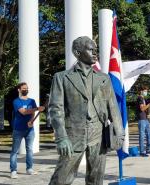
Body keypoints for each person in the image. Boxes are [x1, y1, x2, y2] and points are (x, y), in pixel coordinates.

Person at [48, 36, 124, 185]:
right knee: (61, 178)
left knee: (96, 179)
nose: (95, 53)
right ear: (77, 53)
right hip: (73, 135)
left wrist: (119, 131)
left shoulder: (103, 78)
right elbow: (56, 109)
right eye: (91, 50)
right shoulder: (62, 78)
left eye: (96, 50)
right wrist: (61, 137)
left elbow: (113, 106)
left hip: (98, 134)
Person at [10, 82, 45, 179]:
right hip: (18, 129)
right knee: (15, 151)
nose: (26, 90)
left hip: (30, 130)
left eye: (27, 88)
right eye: (24, 88)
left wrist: (31, 121)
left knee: (29, 150)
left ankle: (29, 169)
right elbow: (24, 112)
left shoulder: (32, 101)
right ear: (19, 90)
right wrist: (38, 108)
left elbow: (33, 112)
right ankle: (13, 171)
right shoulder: (16, 101)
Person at [137, 86, 150, 157]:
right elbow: (142, 109)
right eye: (145, 90)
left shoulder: (143, 99)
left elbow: (146, 108)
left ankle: (148, 149)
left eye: (146, 91)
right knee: (142, 136)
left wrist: (149, 113)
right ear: (141, 91)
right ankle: (142, 151)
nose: (146, 92)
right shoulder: (140, 98)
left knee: (149, 134)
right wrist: (149, 104)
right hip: (141, 119)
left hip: (146, 119)